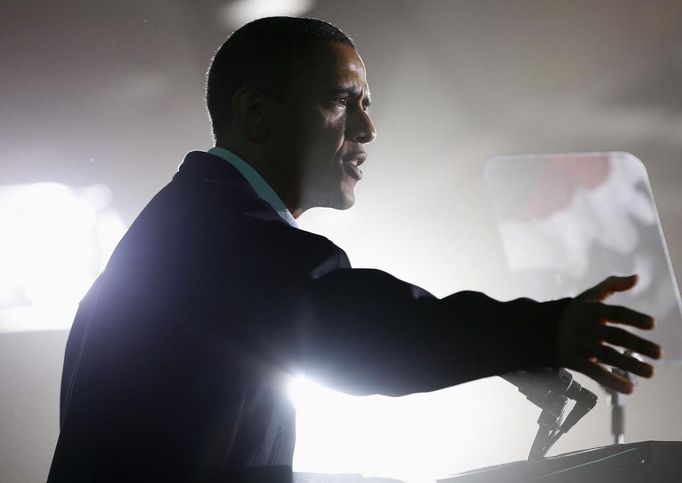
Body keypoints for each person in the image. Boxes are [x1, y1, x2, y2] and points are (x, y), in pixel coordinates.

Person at [47, 16, 662, 483]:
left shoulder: (194, 221)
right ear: (255, 114)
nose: (368, 129)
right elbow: (356, 326)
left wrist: (505, 348)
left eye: (367, 105)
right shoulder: (218, 233)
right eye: (343, 101)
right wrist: (545, 328)